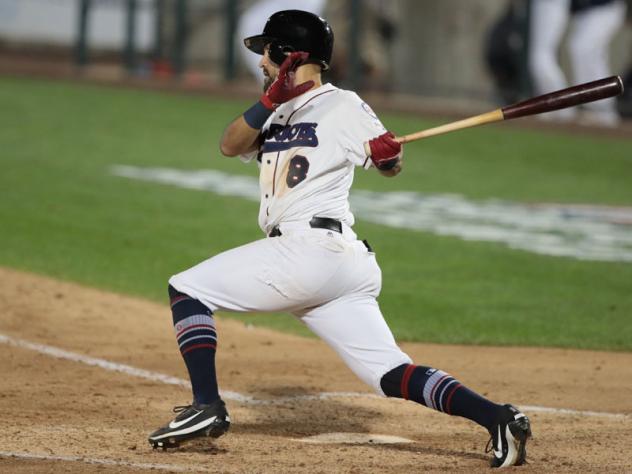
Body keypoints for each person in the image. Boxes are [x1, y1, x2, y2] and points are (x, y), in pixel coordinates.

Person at [148, 10, 532, 468]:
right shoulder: (277, 110)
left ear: (288, 55)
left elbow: (388, 163)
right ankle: (498, 418)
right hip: (329, 266)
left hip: (312, 252)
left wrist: (391, 156)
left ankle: (206, 406)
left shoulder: (343, 105)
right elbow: (230, 144)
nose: (260, 62)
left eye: (266, 52)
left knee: (188, 287)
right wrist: (271, 100)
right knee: (389, 373)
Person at [529, 0, 627, 126]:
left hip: (607, 8)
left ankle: (601, 109)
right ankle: (599, 109)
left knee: (581, 48)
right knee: (583, 50)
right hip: (589, 12)